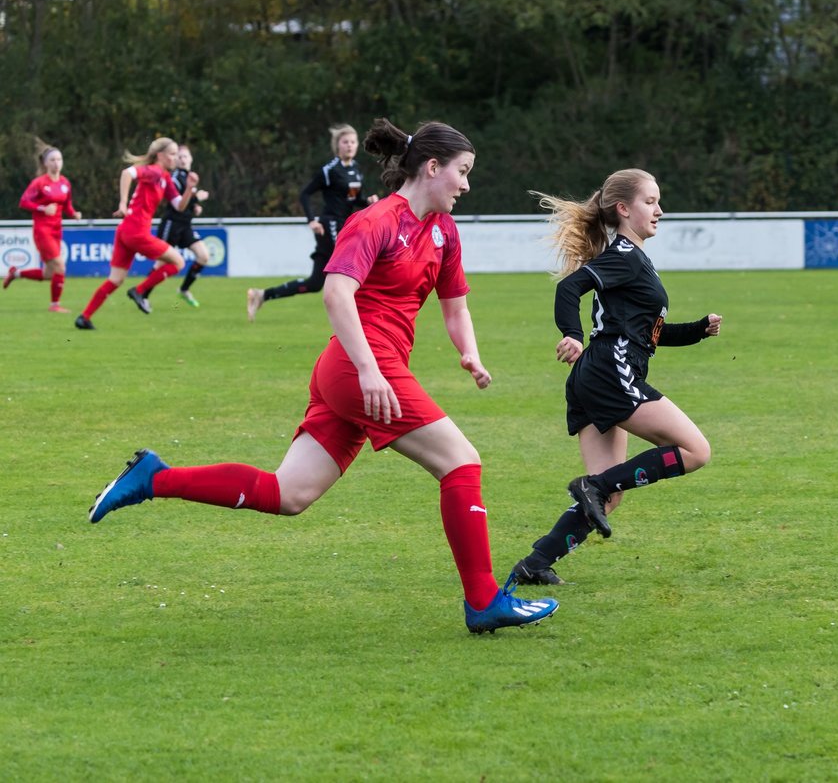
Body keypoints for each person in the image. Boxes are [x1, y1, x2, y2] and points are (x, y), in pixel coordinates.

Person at [89, 118, 559, 635]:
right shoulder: (375, 220)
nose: (467, 184)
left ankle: (152, 477)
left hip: (365, 370)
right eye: (462, 172)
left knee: (287, 494)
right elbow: (336, 293)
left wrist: (469, 353)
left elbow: (455, 306)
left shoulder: (444, 231)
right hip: (360, 366)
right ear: (432, 168)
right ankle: (485, 600)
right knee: (461, 461)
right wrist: (368, 370)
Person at [510, 168, 722, 586]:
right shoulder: (624, 256)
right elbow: (568, 289)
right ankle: (593, 485)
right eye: (650, 202)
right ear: (623, 209)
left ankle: (535, 563)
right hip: (610, 371)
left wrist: (696, 330)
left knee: (611, 496)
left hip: (597, 373)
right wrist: (571, 333)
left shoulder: (634, 258)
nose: (659, 210)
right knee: (695, 451)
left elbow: (649, 335)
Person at [247, 124, 378, 321]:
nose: (349, 146)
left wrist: (367, 201)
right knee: (351, 265)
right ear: (337, 145)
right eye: (345, 142)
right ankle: (363, 315)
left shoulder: (356, 170)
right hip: (330, 225)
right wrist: (311, 220)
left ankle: (261, 295)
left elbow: (352, 198)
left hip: (345, 224)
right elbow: (305, 194)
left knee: (315, 283)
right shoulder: (329, 170)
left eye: (353, 142)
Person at [73, 138, 198, 330]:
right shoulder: (154, 171)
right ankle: (139, 291)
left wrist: (189, 188)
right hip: (136, 232)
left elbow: (179, 206)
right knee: (178, 262)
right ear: (160, 156)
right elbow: (127, 173)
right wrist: (122, 203)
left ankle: (85, 317)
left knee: (115, 280)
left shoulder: (164, 178)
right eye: (172, 154)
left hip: (125, 231)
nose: (176, 158)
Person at [5, 138, 81, 312]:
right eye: (52, 160)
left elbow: (67, 205)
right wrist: (42, 208)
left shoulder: (64, 183)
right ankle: (54, 305)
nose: (56, 163)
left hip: (56, 231)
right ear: (46, 163)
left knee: (48, 274)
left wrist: (74, 213)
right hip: (42, 231)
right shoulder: (39, 183)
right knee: (60, 266)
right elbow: (24, 202)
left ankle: (15, 273)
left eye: (59, 159)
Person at [140, 143, 211, 307]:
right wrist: (197, 198)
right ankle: (143, 294)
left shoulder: (189, 177)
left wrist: (195, 207)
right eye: (179, 156)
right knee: (161, 263)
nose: (182, 159)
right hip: (171, 225)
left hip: (185, 226)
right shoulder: (175, 177)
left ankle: (184, 289)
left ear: (191, 158)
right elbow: (178, 203)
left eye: (185, 156)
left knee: (204, 256)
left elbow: (188, 203)